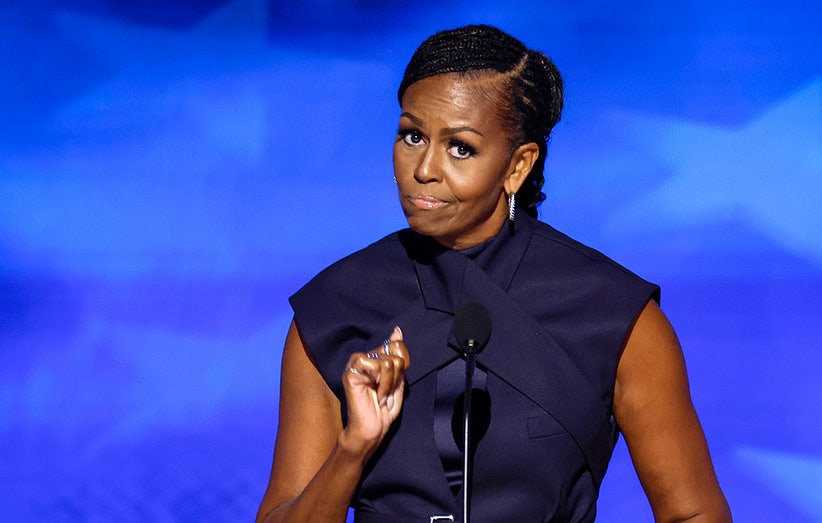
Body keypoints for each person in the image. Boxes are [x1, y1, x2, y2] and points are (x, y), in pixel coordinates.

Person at [257, 24, 730, 523]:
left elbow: (694, 514)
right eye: (412, 136)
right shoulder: (334, 309)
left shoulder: (615, 315)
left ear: (517, 166)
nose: (424, 169)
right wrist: (352, 449)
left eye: (460, 147)